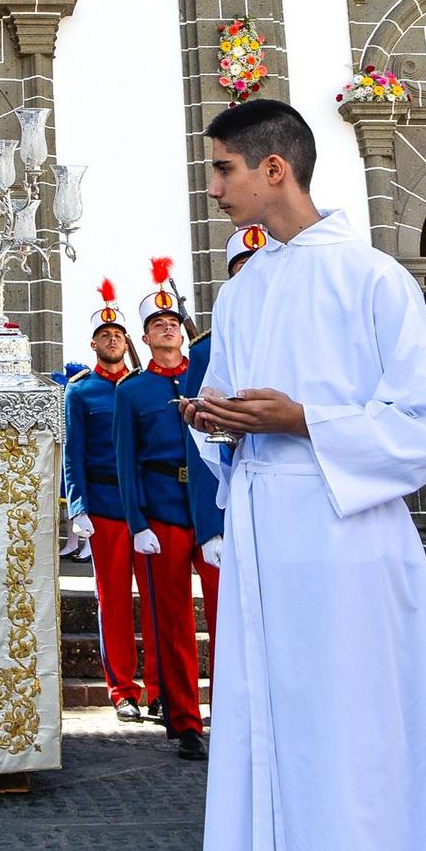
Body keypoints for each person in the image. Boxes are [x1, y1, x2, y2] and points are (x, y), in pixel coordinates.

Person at [183, 99, 426, 851]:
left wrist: (305, 420)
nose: (214, 188)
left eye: (223, 169)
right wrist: (214, 420)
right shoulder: (241, 290)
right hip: (265, 532)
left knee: (347, 726)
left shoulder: (373, 278)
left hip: (345, 539)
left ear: (275, 169)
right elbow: (227, 403)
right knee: (267, 721)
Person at [112, 259, 211, 762]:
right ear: (146, 338)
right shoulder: (132, 392)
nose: (168, 328)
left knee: (225, 618)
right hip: (164, 513)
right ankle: (186, 721)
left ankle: (235, 715)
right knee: (170, 622)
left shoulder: (210, 373)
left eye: (172, 322)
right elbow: (125, 461)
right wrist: (136, 523)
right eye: (157, 325)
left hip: (210, 513)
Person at [63, 281, 157, 723]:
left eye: (118, 334)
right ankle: (122, 689)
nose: (112, 339)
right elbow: (73, 452)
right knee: (113, 600)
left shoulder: (143, 387)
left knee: (155, 600)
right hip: (104, 505)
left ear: (128, 341)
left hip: (148, 505)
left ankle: (158, 686)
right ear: (94, 344)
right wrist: (77, 506)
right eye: (104, 335)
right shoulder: (80, 392)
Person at [180, 224, 267, 671]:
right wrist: (210, 527)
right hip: (238, 497)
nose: (253, 277)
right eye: (242, 269)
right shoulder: (207, 350)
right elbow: (202, 442)